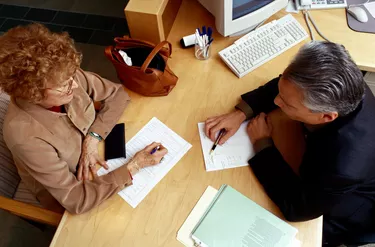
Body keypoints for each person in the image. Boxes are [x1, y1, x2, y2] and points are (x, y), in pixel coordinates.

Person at [205, 41, 375, 246]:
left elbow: (296, 207)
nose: (277, 101)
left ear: (326, 117)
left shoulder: (344, 167)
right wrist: (242, 112)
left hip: (351, 207)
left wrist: (262, 144)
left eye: (287, 104)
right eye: (280, 93)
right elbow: (287, 86)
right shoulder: (338, 80)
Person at [0, 23, 168, 214]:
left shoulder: (63, 74)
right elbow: (75, 199)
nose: (74, 83)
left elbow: (117, 94)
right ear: (32, 93)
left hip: (100, 154)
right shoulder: (25, 136)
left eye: (72, 75)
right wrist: (135, 166)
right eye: (63, 85)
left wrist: (93, 137)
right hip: (76, 188)